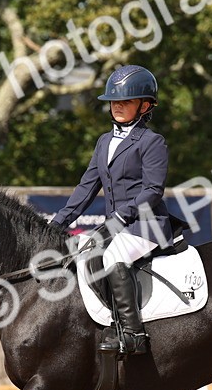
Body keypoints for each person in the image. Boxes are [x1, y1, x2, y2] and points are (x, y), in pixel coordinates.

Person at [50, 65, 171, 356]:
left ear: (144, 105)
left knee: (115, 256)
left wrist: (121, 216)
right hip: (117, 225)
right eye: (114, 101)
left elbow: (153, 190)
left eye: (125, 101)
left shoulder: (152, 142)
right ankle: (107, 323)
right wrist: (57, 222)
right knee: (85, 250)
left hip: (146, 225)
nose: (117, 106)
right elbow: (86, 187)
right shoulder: (104, 141)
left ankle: (133, 334)